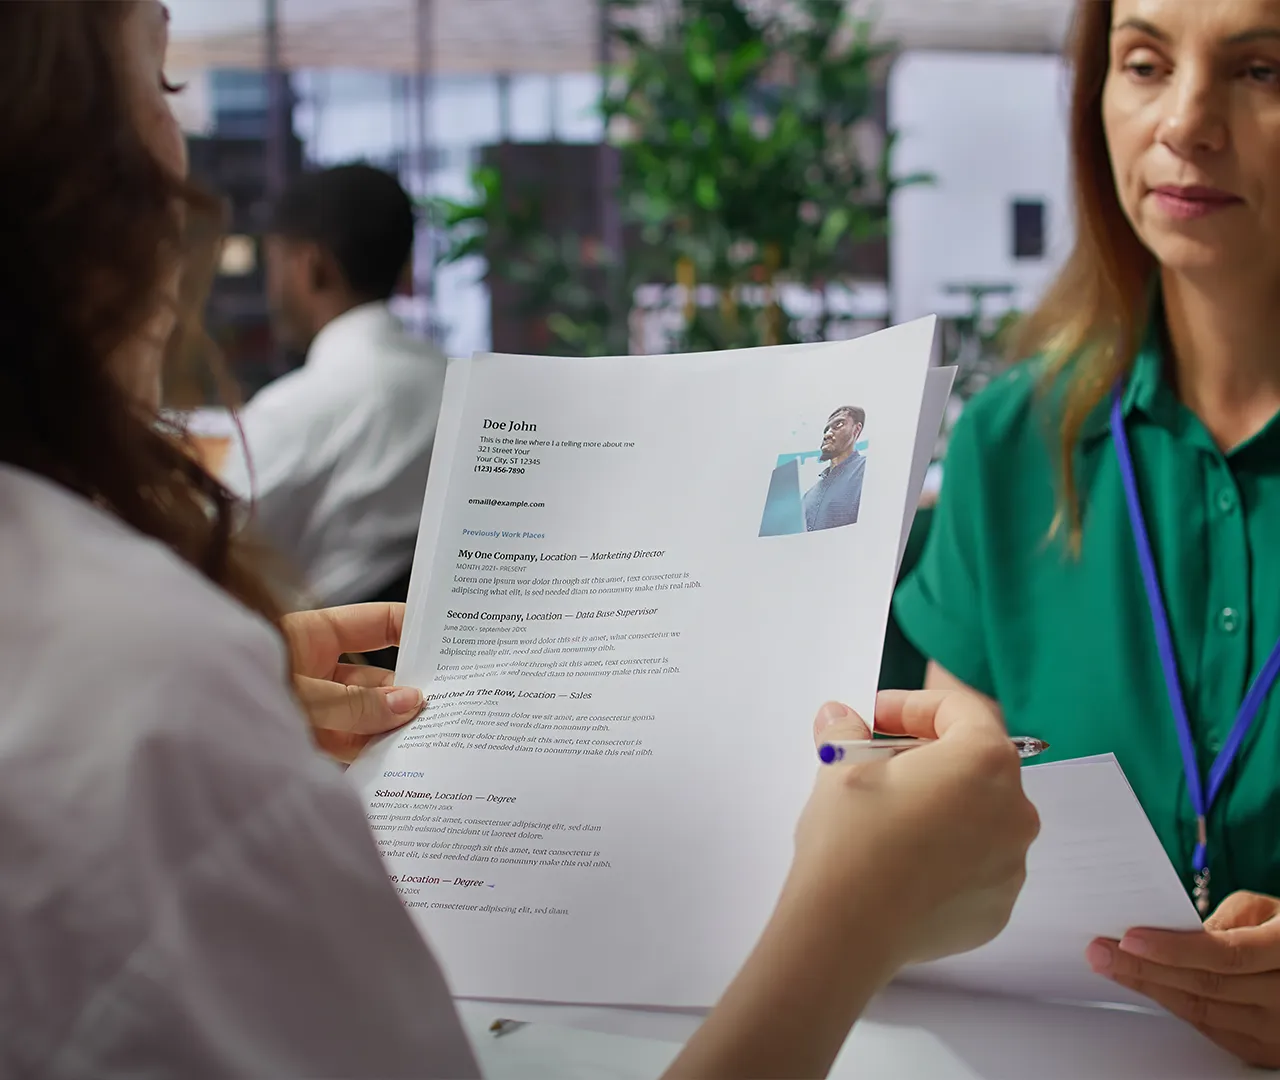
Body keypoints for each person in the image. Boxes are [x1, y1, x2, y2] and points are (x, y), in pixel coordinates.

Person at [0, 4, 1041, 1076]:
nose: (189, 184)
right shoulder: (139, 698)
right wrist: (849, 922)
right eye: (161, 76)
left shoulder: (129, 660)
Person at [893, 0, 1280, 1067]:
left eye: (1259, 71)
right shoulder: (1011, 444)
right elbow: (953, 821)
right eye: (1144, 62)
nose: (1184, 122)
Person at [218, 162, 448, 612]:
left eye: (275, 265)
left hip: (323, 667)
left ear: (312, 267)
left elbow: (197, 543)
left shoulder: (299, 410)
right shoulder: (460, 387)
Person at [804, 405, 867, 531]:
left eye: (838, 425)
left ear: (856, 429)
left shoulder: (866, 470)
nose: (827, 434)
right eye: (826, 430)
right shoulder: (809, 495)